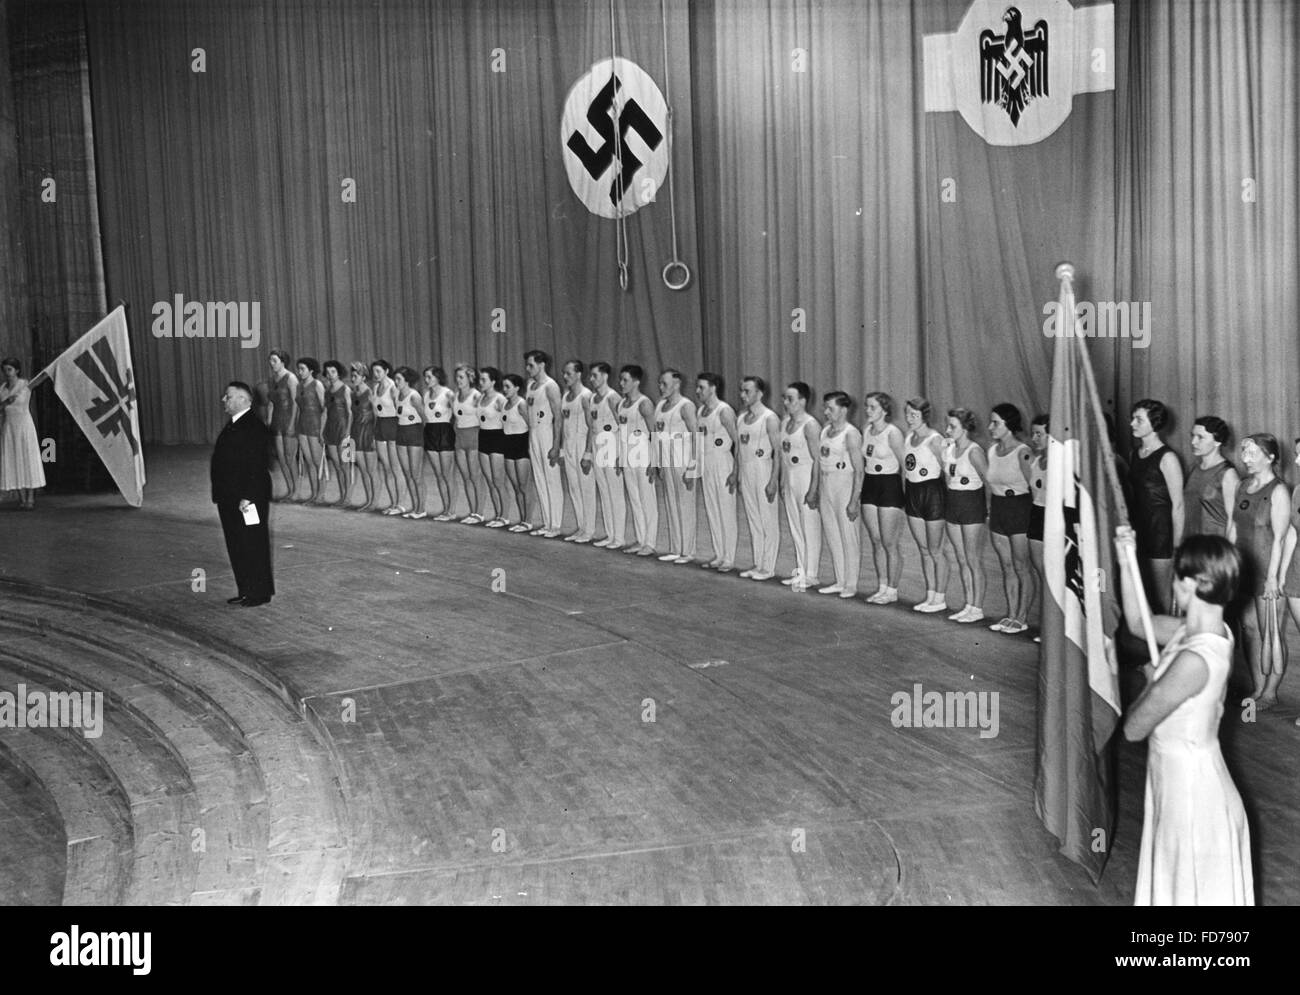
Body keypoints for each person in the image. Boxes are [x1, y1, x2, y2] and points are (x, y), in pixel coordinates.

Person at [1114, 528, 1253, 906]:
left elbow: (1134, 727)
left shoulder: (1195, 659)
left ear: (1191, 584)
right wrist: (1127, 559)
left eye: (1177, 576)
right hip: (1176, 779)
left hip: (1193, 794)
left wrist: (1150, 681)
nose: (1173, 583)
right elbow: (1139, 625)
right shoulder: (1206, 631)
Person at [1230, 433, 1289, 710]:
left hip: (1268, 573)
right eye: (1244, 453)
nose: (1246, 459)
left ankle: (1270, 693)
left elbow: (1280, 538)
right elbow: (1232, 528)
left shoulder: (1278, 491)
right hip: (1244, 570)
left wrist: (1273, 578)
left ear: (1270, 457)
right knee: (1250, 629)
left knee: (1271, 632)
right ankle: (1257, 687)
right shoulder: (1242, 486)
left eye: (1252, 453)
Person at [211, 382, 275, 607]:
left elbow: (257, 466)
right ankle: (246, 589)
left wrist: (248, 496)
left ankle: (259, 592)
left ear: (243, 400)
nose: (224, 400)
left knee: (252, 543)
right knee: (237, 543)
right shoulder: (234, 424)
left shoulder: (254, 427)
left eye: (228, 397)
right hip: (230, 497)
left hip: (248, 498)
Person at [1128, 399, 1185, 612]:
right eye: (1133, 418)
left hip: (1161, 532)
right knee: (1143, 594)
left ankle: (1171, 642)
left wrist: (1177, 545)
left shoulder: (1168, 457)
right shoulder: (1135, 454)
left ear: (1155, 423)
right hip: (1140, 529)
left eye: (1139, 420)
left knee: (1163, 596)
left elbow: (1178, 505)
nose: (1132, 423)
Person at [985, 403, 1034, 635]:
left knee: (1022, 566)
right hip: (999, 509)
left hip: (1020, 509)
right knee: (1006, 566)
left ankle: (1022, 618)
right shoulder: (991, 451)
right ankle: (1011, 614)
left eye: (995, 423)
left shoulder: (1023, 451)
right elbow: (990, 484)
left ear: (1009, 425)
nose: (990, 427)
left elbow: (1036, 488)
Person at [903, 397, 950, 613]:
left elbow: (948, 470)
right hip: (913, 493)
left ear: (924, 416)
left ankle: (940, 598)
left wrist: (950, 498)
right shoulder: (908, 437)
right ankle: (930, 594)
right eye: (907, 414)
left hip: (933, 494)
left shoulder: (934, 439)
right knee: (923, 549)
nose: (909, 418)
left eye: (914, 415)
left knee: (935, 549)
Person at [815, 391, 863, 598]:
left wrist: (854, 500)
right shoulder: (825, 431)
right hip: (827, 483)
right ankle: (840, 579)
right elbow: (820, 461)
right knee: (833, 534)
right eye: (825, 408)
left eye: (830, 408)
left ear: (844, 410)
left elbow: (859, 471)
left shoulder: (851, 434)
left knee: (848, 535)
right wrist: (818, 489)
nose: (826, 412)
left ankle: (851, 584)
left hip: (845, 483)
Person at [859, 391, 905, 603]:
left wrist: (906, 494)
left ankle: (893, 590)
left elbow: (905, 465)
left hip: (889, 485)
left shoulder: (893, 433)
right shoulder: (866, 430)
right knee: (876, 540)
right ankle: (882, 586)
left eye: (872, 407)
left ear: (884, 410)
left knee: (889, 541)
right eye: (867, 407)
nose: (868, 411)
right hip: (870, 484)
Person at [777, 382, 821, 591]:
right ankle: (801, 570)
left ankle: (811, 574)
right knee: (795, 526)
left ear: (802, 401)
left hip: (806, 475)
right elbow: (784, 456)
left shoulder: (810, 425)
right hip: (791, 475)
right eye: (784, 398)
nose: (786, 403)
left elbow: (817, 459)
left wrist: (813, 488)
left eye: (790, 399)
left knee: (809, 526)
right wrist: (784, 481)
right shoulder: (785, 422)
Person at [737, 376, 781, 581]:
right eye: (742, 391)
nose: (743, 395)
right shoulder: (741, 418)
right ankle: (758, 562)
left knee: (767, 519)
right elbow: (739, 449)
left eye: (748, 391)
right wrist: (737, 473)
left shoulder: (769, 418)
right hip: (746, 469)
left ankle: (768, 566)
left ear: (760, 394)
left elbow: (778, 452)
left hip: (763, 468)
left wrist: (773, 480)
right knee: (754, 518)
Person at [652, 369, 697, 564]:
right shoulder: (660, 406)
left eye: (665, 383)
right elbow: (656, 436)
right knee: (671, 503)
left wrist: (693, 466)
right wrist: (657, 462)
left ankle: (688, 551)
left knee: (685, 505)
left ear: (677, 384)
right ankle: (675, 548)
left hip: (683, 460)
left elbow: (696, 436)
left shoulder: (686, 406)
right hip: (667, 461)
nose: (661, 387)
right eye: (660, 383)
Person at [696, 372, 739, 573]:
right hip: (707, 462)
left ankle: (729, 558)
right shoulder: (700, 411)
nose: (698, 391)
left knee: (726, 511)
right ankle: (719, 553)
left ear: (713, 388)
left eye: (702, 387)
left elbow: (738, 442)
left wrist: (735, 471)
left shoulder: (724, 411)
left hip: (722, 462)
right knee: (713, 510)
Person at [618, 364, 658, 556]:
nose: (621, 383)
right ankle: (640, 539)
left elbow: (655, 433)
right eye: (621, 379)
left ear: (636, 382)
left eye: (625, 380)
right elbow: (621, 433)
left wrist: (655, 460)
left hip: (643, 457)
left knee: (647, 500)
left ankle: (650, 543)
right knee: (635, 499)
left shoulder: (644, 404)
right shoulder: (621, 404)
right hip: (627, 457)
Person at [586, 362, 626, 549]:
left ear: (605, 376)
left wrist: (622, 453)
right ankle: (610, 535)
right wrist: (588, 451)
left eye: (595, 375)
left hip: (611, 445)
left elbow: (624, 427)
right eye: (591, 376)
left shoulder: (613, 398)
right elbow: (590, 427)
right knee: (604, 491)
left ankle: (619, 538)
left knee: (615, 493)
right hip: (597, 445)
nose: (592, 379)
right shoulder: (593, 398)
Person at [524, 350, 564, 537]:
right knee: (539, 479)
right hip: (533, 433)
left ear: (542, 365)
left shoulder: (551, 386)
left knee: (551, 479)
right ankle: (547, 522)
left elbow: (559, 417)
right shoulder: (531, 385)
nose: (527, 368)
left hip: (547, 433)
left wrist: (556, 446)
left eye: (531, 365)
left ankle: (556, 524)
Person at [557, 360, 597, 543]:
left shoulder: (586, 396)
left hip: (582, 446)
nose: (565, 377)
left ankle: (589, 530)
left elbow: (592, 426)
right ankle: (581, 527)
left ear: (579, 374)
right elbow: (565, 426)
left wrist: (588, 453)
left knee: (586, 489)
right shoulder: (566, 397)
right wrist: (563, 451)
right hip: (570, 446)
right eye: (564, 373)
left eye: (569, 373)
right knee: (574, 489)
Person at [0, 358, 46, 509]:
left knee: (28, 460)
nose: (7, 373)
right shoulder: (2, 389)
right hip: (9, 429)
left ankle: (30, 498)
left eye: (9, 370)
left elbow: (40, 378)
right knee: (14, 460)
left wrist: (52, 368)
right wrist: (6, 402)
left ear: (17, 370)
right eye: (5, 370)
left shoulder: (25, 385)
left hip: (25, 428)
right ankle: (22, 499)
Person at [1184, 416, 1238, 539]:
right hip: (1192, 543)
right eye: (1193, 436)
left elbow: (1233, 520)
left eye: (1200, 437)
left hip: (1215, 547)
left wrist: (1227, 553)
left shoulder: (1228, 473)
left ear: (1217, 441)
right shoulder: (1194, 468)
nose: (1193, 442)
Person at [1279, 438, 1300, 726]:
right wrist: (1281, 574)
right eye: (1297, 455)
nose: (1296, 462)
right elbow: (1292, 534)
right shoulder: (1298, 491)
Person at [421, 366, 456, 520]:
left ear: (437, 377)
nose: (427, 380)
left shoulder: (448, 394)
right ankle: (445, 509)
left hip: (445, 433)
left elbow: (458, 414)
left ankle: (451, 511)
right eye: (425, 377)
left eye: (429, 377)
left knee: (447, 474)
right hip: (430, 432)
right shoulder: (426, 395)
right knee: (439, 474)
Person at [475, 367, 508, 527]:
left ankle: (504, 516)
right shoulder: (480, 398)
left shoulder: (500, 399)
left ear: (493, 382)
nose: (480, 382)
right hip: (483, 438)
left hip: (497, 438)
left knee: (498, 480)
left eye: (484, 380)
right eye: (480, 379)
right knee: (489, 480)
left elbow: (509, 419)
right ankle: (497, 514)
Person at [393, 366, 427, 519]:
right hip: (401, 434)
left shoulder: (415, 396)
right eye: (396, 379)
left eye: (399, 379)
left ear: (407, 380)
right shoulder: (397, 395)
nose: (396, 381)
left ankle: (421, 509)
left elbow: (425, 418)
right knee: (407, 474)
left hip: (414, 435)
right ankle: (414, 507)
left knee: (416, 474)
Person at [265, 350, 299, 501]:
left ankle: (296, 491)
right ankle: (290, 489)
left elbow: (296, 403)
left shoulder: (291, 378)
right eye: (270, 361)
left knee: (290, 457)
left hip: (289, 418)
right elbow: (271, 403)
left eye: (274, 360)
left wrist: (292, 424)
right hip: (277, 420)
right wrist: (269, 421)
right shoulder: (272, 380)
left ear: (282, 361)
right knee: (281, 457)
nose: (272, 364)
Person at [371, 360, 404, 514]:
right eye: (374, 371)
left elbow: (401, 410)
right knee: (387, 468)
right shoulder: (376, 387)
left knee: (396, 468)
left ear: (386, 371)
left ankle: (400, 504)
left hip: (393, 427)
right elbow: (376, 411)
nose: (375, 374)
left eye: (378, 371)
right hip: (380, 427)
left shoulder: (393, 388)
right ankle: (393, 503)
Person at [452, 363, 483, 524]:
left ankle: (479, 513)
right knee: (466, 477)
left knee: (475, 476)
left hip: (474, 437)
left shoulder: (476, 395)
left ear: (470, 378)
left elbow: (483, 416)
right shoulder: (455, 396)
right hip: (460, 438)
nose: (458, 380)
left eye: (461, 377)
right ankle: (472, 511)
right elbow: (456, 419)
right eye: (457, 377)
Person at [501, 374, 533, 532]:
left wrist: (530, 447)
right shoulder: (505, 404)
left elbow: (532, 426)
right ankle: (521, 519)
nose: (504, 389)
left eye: (508, 386)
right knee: (515, 486)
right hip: (508, 446)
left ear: (517, 388)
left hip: (521, 446)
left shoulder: (522, 404)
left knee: (523, 485)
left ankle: (528, 521)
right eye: (504, 386)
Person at [321, 361, 352, 508]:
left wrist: (348, 432)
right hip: (331, 430)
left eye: (333, 372)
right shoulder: (327, 391)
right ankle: (342, 496)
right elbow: (326, 412)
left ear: (338, 373)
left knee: (345, 465)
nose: (330, 375)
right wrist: (322, 431)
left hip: (343, 429)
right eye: (327, 372)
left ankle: (347, 498)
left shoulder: (346, 389)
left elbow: (351, 412)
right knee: (337, 465)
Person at [346, 362, 377, 511]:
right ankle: (369, 500)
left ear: (364, 377)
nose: (352, 378)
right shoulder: (353, 393)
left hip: (368, 432)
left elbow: (377, 416)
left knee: (371, 470)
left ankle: (375, 501)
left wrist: (375, 436)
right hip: (356, 432)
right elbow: (351, 414)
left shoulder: (370, 393)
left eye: (356, 376)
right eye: (352, 376)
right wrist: (348, 433)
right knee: (363, 469)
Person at [295, 357, 326, 503]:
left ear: (311, 370)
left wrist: (322, 430)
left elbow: (324, 408)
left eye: (303, 369)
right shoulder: (299, 386)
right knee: (309, 462)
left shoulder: (317, 384)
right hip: (302, 425)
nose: (300, 372)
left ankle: (321, 495)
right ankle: (314, 494)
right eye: (299, 369)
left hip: (315, 425)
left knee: (318, 461)